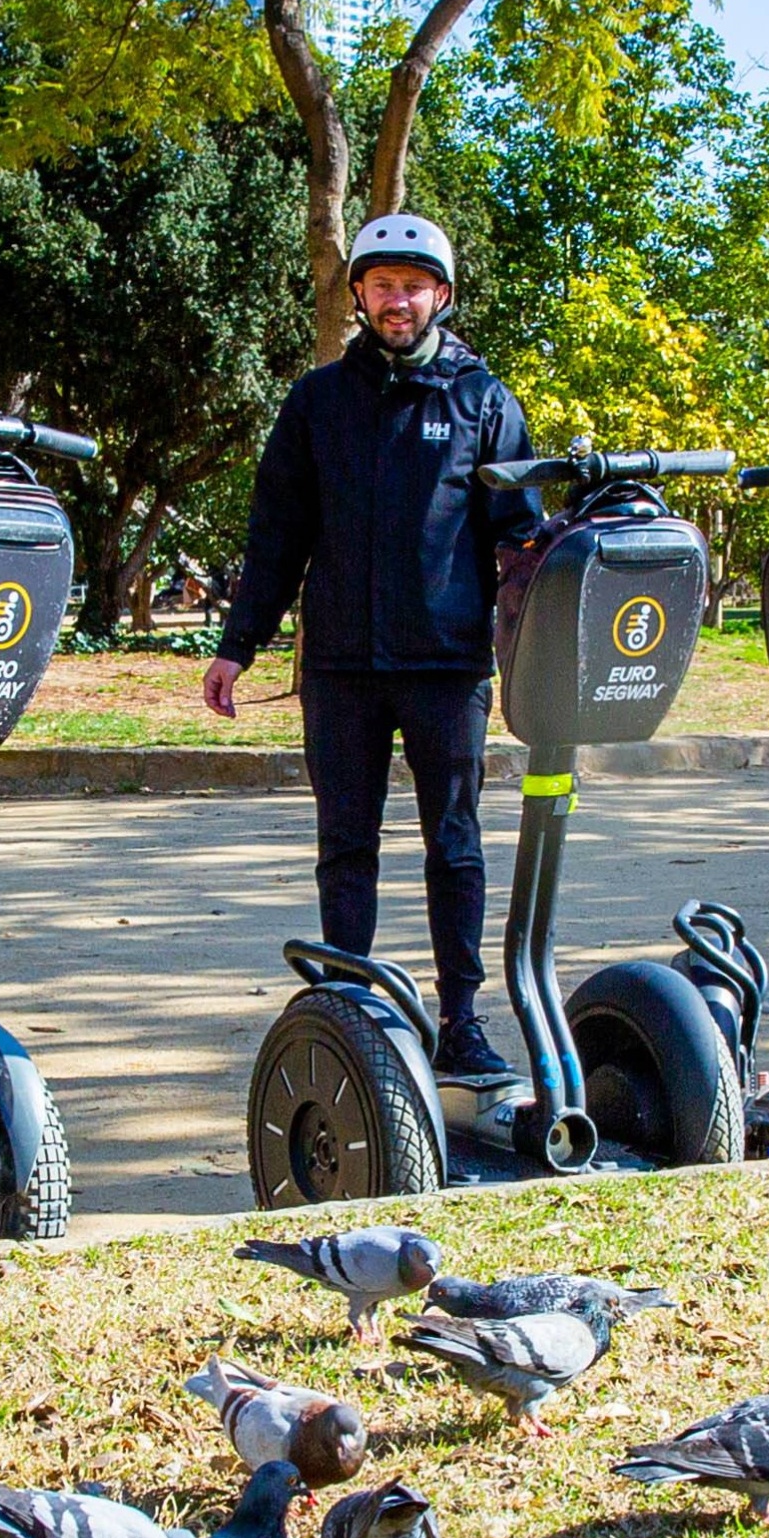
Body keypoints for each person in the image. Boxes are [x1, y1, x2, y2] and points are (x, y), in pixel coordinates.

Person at [201, 214, 541, 1078]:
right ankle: (349, 998)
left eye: (414, 285)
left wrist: (549, 627)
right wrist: (239, 643)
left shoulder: (483, 400)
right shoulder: (318, 401)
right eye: (382, 284)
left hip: (446, 664)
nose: (398, 300)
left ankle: (461, 1017)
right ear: (358, 293)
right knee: (345, 840)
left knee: (453, 842)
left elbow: (520, 534)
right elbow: (278, 533)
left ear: (443, 295)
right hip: (342, 667)